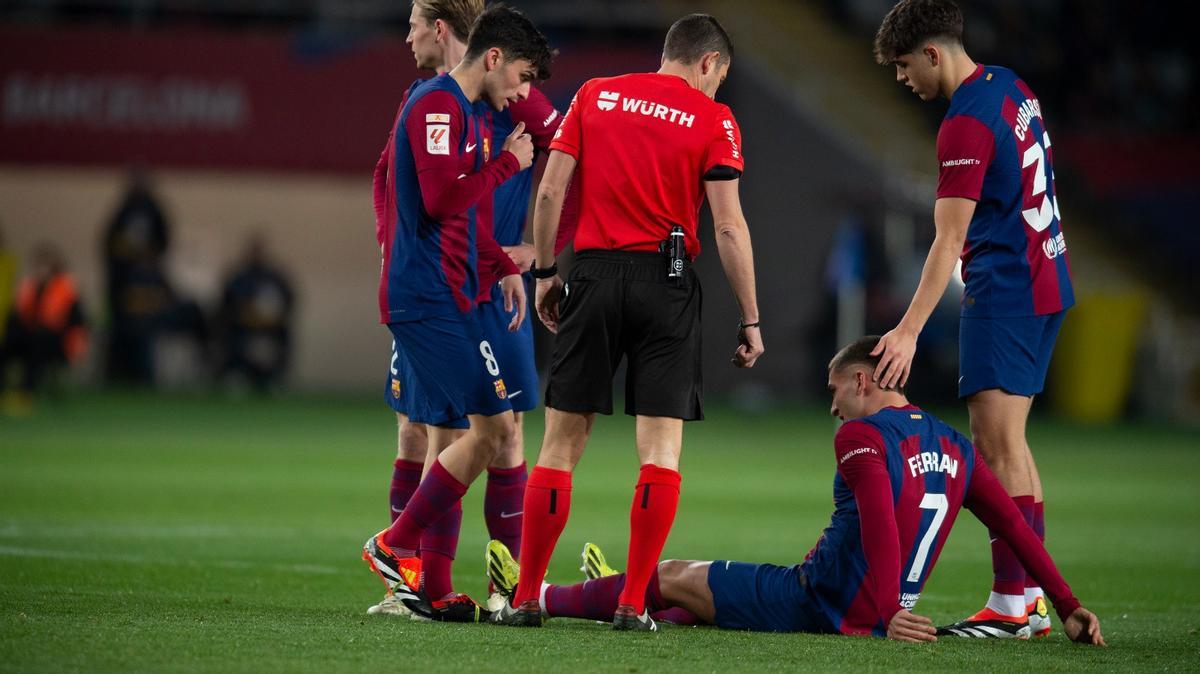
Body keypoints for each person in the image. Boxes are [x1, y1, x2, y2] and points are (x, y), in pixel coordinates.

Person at [485, 336, 1106, 645]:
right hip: (878, 604)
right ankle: (642, 604)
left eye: (835, 392)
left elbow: (882, 525)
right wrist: (1067, 600)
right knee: (694, 600)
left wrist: (888, 613)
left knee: (671, 571)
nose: (832, 409)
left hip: (819, 601)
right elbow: (1016, 529)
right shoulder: (955, 446)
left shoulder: (863, 440)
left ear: (863, 381)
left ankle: (540, 592)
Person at [494, 14, 764, 630]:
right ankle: (631, 602)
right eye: (720, 77)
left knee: (560, 445)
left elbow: (548, 194)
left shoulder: (595, 94)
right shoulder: (713, 119)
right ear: (708, 64)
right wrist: (750, 317)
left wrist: (545, 276)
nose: (718, 88)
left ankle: (527, 596)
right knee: (660, 452)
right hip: (666, 286)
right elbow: (727, 225)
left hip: (591, 276)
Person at [869, 0, 1074, 637]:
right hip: (1048, 281)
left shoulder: (964, 121)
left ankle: (1013, 605)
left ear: (933, 53)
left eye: (905, 66)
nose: (903, 79)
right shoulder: (1012, 86)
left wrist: (907, 329)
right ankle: (1032, 599)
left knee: (995, 447)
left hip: (1007, 292)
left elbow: (947, 240)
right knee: (1014, 446)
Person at [368, 0, 576, 618]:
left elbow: (460, 211)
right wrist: (510, 162)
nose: (524, 92)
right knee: (477, 430)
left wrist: (508, 264)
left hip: (453, 292)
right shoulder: (436, 103)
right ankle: (395, 550)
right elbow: (438, 201)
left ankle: (429, 587)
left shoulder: (461, 108)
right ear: (493, 58)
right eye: (522, 77)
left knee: (486, 430)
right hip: (427, 298)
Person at [0, 243, 87, 404]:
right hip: (30, 336)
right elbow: (17, 317)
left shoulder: (67, 288)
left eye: (46, 265)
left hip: (58, 341)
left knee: (38, 343)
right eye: (39, 265)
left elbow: (77, 321)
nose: (42, 270)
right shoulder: (29, 287)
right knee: (8, 342)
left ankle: (26, 392)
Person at [217, 236, 294, 392]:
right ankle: (236, 375)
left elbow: (288, 303)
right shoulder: (238, 277)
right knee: (231, 336)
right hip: (242, 325)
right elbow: (228, 306)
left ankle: (273, 378)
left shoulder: (275, 277)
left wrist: (270, 320)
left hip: (271, 327)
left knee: (284, 336)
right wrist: (248, 317)